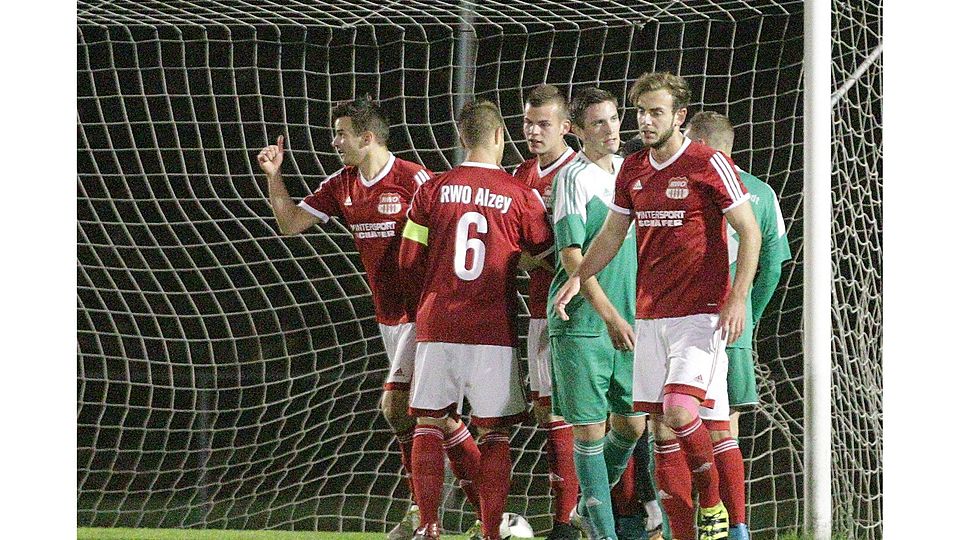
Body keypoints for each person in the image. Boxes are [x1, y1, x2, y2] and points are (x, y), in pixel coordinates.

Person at [256, 97, 483, 540]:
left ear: (367, 137)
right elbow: (290, 222)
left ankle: (437, 517)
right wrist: (273, 175)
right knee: (429, 418)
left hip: (424, 312)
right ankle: (478, 514)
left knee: (399, 408)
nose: (334, 142)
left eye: (341, 134)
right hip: (389, 319)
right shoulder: (343, 184)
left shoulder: (414, 179)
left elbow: (453, 233)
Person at [553, 72, 762, 540]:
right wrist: (578, 278)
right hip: (649, 318)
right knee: (669, 425)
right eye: (641, 112)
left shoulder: (707, 163)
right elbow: (611, 235)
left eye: (656, 112)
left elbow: (750, 232)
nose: (645, 121)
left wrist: (737, 298)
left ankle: (714, 507)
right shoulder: (632, 170)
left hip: (701, 316)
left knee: (681, 412)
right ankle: (704, 531)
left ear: (679, 116)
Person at [398, 100, 554, 540]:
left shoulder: (432, 189)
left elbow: (407, 260)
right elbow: (548, 255)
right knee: (495, 433)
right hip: (492, 328)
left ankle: (428, 527)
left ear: (462, 137)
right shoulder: (520, 195)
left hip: (438, 324)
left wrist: (432, 290)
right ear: (500, 137)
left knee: (429, 423)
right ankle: (490, 532)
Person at [547, 87, 649, 540]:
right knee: (589, 432)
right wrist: (609, 316)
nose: (611, 129)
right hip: (586, 323)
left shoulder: (630, 173)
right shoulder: (572, 178)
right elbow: (572, 256)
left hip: (630, 319)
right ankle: (604, 532)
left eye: (613, 119)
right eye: (598, 122)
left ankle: (588, 506)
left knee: (632, 424)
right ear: (577, 131)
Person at [686, 111, 792, 540]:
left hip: (682, 318)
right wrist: (750, 315)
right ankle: (735, 526)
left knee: (673, 426)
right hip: (734, 328)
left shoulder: (685, 186)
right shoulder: (762, 192)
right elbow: (773, 267)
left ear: (699, 145)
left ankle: (688, 521)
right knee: (725, 426)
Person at [511, 84, 580, 540]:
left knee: (585, 416)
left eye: (544, 124)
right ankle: (570, 516)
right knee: (547, 411)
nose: (534, 132)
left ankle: (573, 520)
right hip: (540, 310)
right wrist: (523, 257)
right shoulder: (520, 175)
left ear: (565, 127)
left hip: (580, 311)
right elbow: (511, 243)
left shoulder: (581, 171)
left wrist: (554, 259)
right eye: (528, 123)